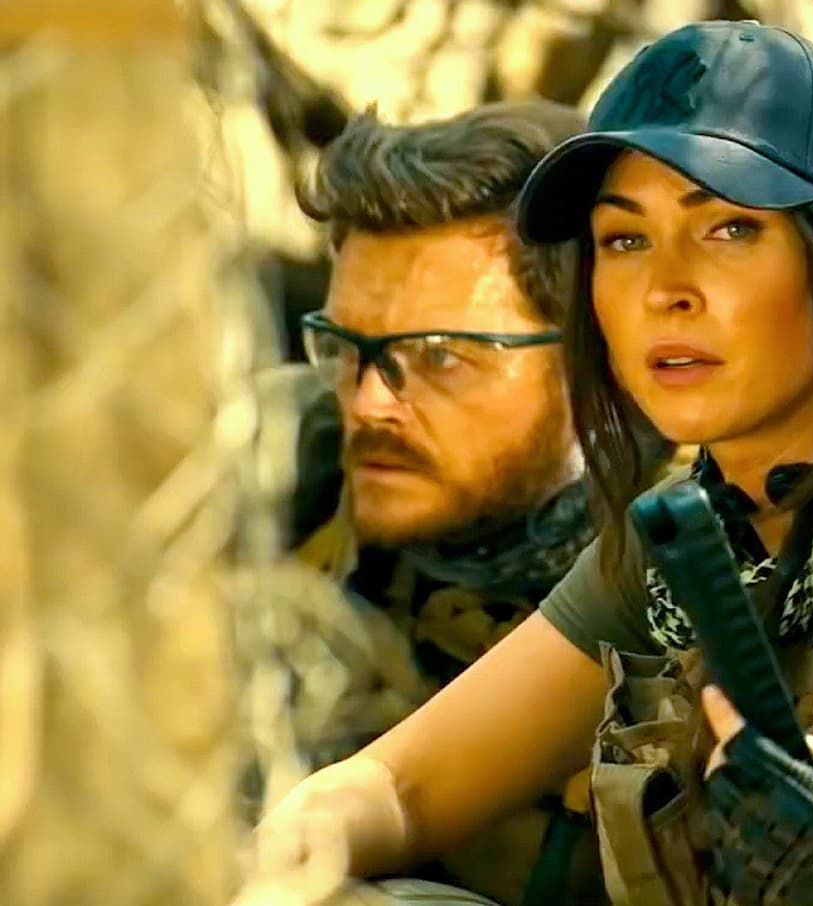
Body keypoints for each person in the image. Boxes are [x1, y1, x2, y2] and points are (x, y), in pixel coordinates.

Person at [242, 20, 813, 906]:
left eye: (730, 230)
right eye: (624, 241)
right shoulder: (697, 539)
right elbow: (401, 787)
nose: (665, 290)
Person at [277, 100, 609, 906]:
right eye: (345, 347)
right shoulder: (284, 459)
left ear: (592, 360)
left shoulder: (693, 564)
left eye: (439, 357)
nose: (369, 405)